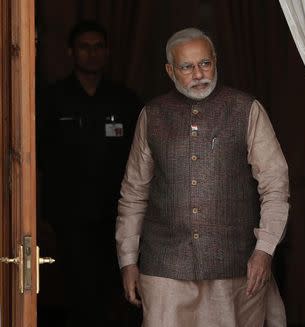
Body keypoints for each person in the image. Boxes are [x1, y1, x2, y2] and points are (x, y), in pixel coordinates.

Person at [116, 28, 290, 326]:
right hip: (164, 266)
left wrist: (265, 249)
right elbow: (134, 193)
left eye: (205, 63)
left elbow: (275, 185)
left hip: (234, 267)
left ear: (216, 62)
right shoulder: (153, 115)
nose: (198, 73)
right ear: (170, 70)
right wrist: (128, 260)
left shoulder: (245, 109)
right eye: (187, 67)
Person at [37, 20, 141, 326]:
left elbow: (141, 157)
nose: (91, 54)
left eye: (98, 47)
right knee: (78, 295)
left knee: (117, 294)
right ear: (71, 52)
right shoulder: (52, 99)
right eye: (84, 47)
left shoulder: (124, 100)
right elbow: (37, 156)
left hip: (116, 215)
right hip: (70, 218)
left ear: (107, 52)